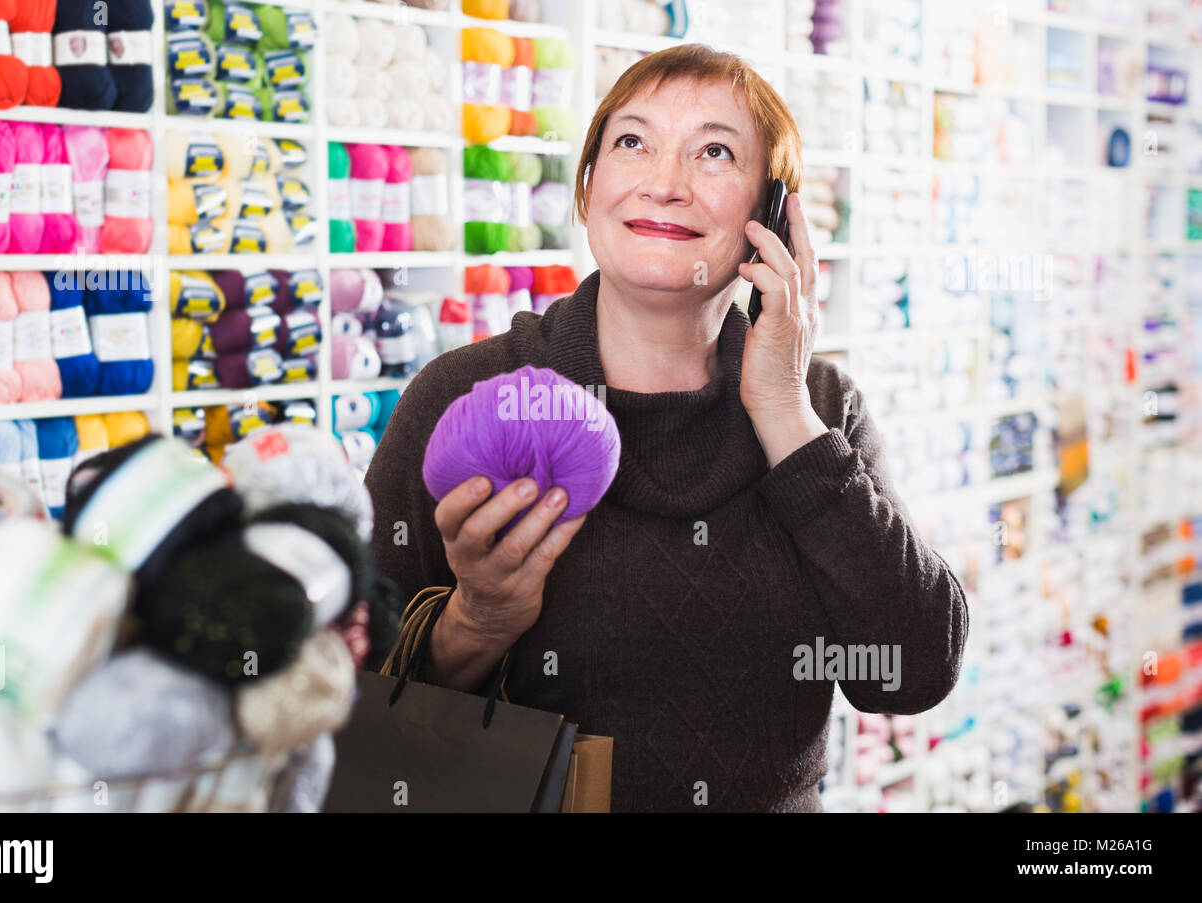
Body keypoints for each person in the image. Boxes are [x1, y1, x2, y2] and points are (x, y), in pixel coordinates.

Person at [364, 44, 968, 812]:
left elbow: (911, 671)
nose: (664, 183)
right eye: (632, 142)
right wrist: (476, 622)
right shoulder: (467, 395)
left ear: (771, 216)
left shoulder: (820, 407)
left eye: (714, 151)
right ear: (587, 190)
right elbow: (341, 697)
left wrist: (782, 410)